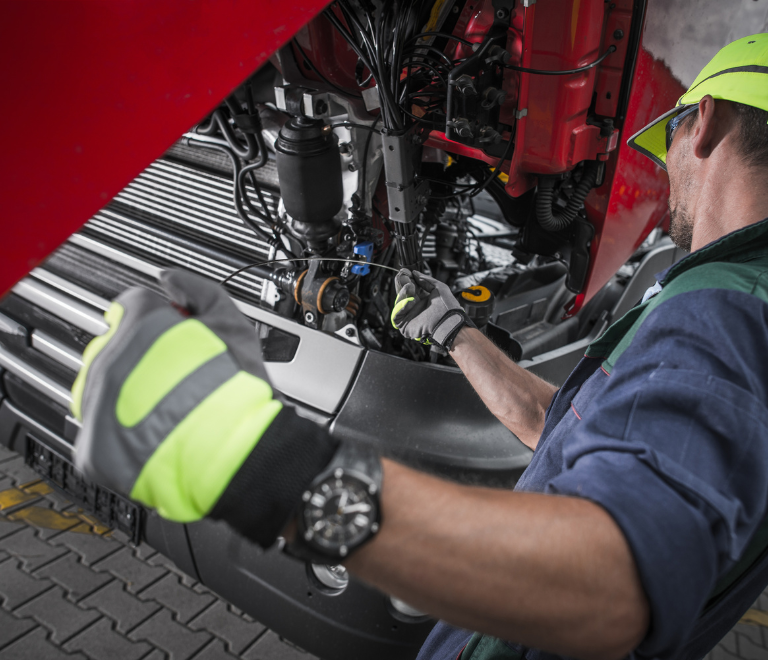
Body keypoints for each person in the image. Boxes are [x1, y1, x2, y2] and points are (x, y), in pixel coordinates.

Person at [70, 34, 768, 660]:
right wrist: (453, 332)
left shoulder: (717, 311)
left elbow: (616, 583)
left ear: (701, 124)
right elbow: (553, 424)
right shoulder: (740, 303)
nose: (664, 173)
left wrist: (249, 458)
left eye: (667, 143)